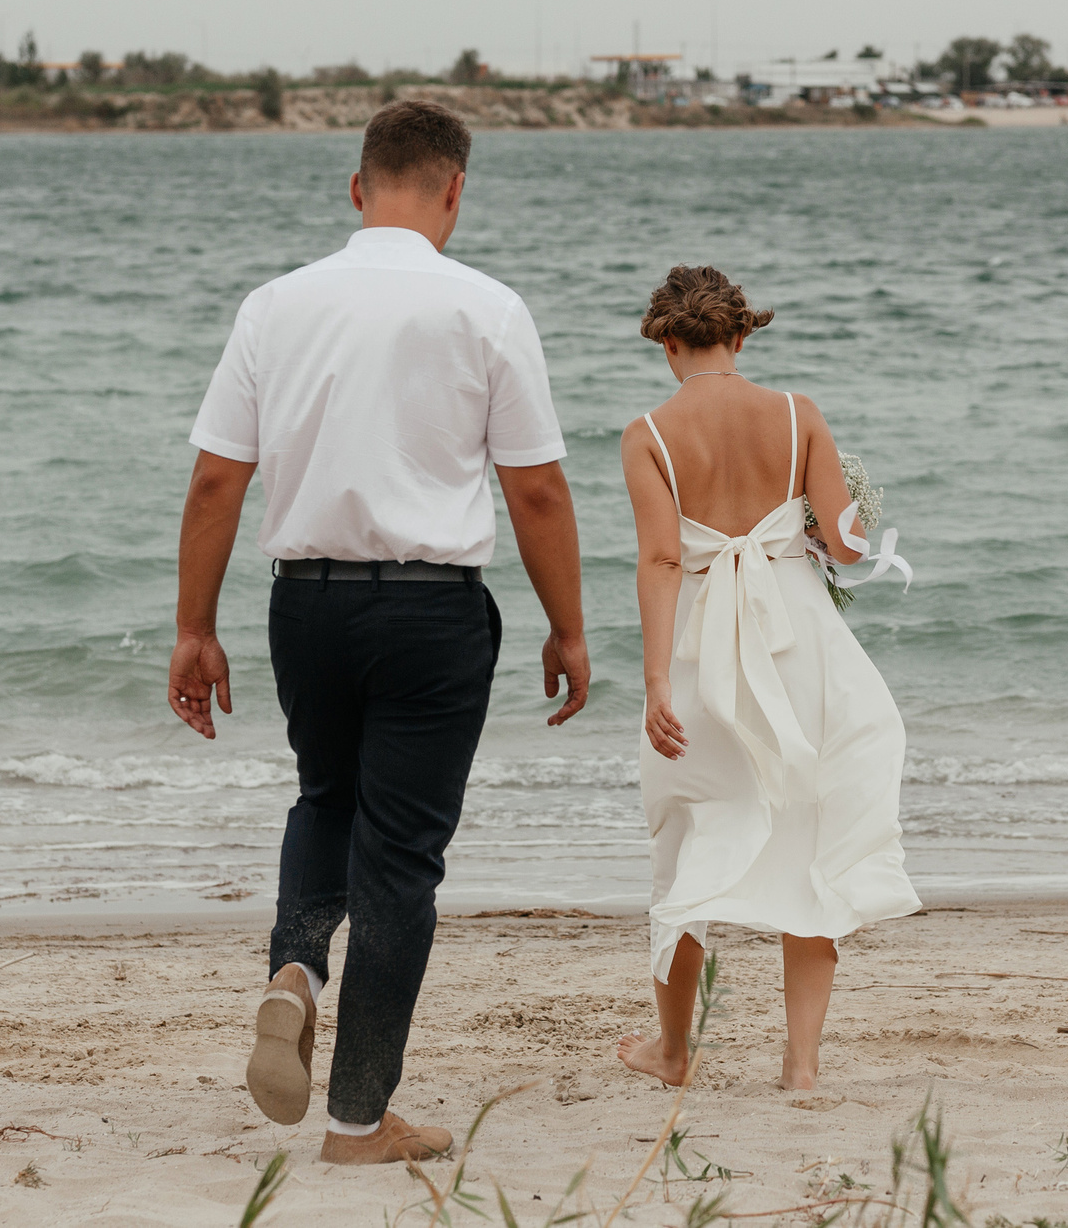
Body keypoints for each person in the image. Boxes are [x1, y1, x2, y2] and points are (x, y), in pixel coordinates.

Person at [167, 100, 590, 1165]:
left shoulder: (275, 305)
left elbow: (219, 477)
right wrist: (569, 629)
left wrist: (192, 628)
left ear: (356, 189)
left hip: (303, 601)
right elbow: (536, 495)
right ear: (455, 189)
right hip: (430, 613)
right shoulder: (487, 308)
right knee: (400, 859)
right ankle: (357, 1120)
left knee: (324, 798)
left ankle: (296, 970)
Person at [615, 266, 919, 1092]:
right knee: (809, 838)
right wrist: (847, 512)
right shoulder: (797, 414)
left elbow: (663, 558)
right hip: (798, 647)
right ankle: (802, 1063)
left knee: (684, 844)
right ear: (742, 336)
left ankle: (674, 1051)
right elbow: (847, 546)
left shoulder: (647, 432)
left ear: (668, 342)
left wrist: (654, 685)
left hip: (700, 653)